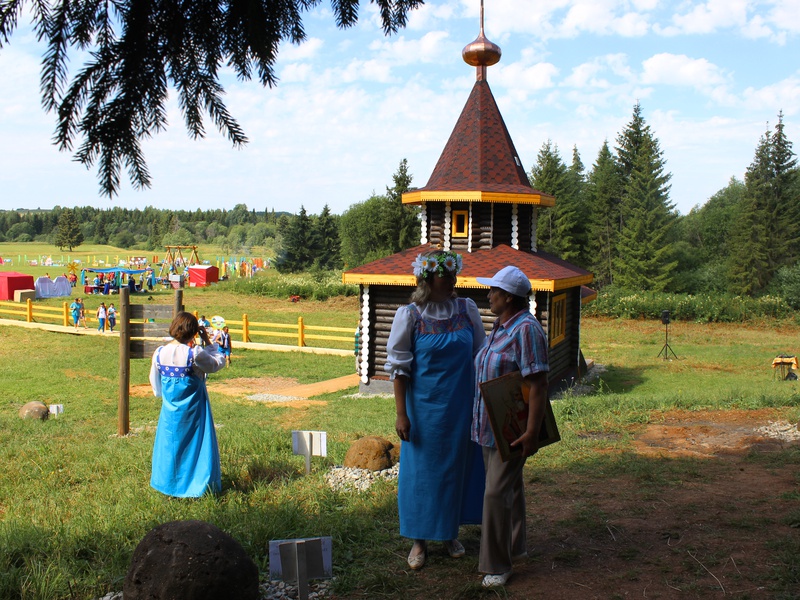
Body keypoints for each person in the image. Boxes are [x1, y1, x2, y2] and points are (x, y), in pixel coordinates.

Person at [385, 248, 487, 570]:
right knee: (423, 475)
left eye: (454, 273)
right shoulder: (410, 315)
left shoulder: (466, 309)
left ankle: (449, 533)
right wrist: (402, 413)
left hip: (461, 408)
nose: (453, 280)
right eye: (446, 274)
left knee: (456, 470)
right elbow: (400, 369)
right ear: (428, 277)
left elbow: (480, 354)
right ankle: (419, 540)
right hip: (425, 411)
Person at [472, 266, 549, 588]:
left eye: (492, 291)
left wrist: (531, 432)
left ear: (508, 297)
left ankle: (498, 564)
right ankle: (515, 546)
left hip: (513, 429)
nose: (488, 295)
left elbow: (538, 384)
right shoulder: (501, 326)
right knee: (509, 490)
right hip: (490, 427)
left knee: (495, 494)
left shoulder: (526, 330)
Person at [149, 312, 226, 497]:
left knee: (170, 446)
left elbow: (155, 385)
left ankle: (169, 485)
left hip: (170, 410)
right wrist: (208, 340)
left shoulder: (160, 352)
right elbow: (216, 363)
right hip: (195, 410)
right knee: (197, 447)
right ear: (193, 332)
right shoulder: (194, 353)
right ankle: (196, 486)